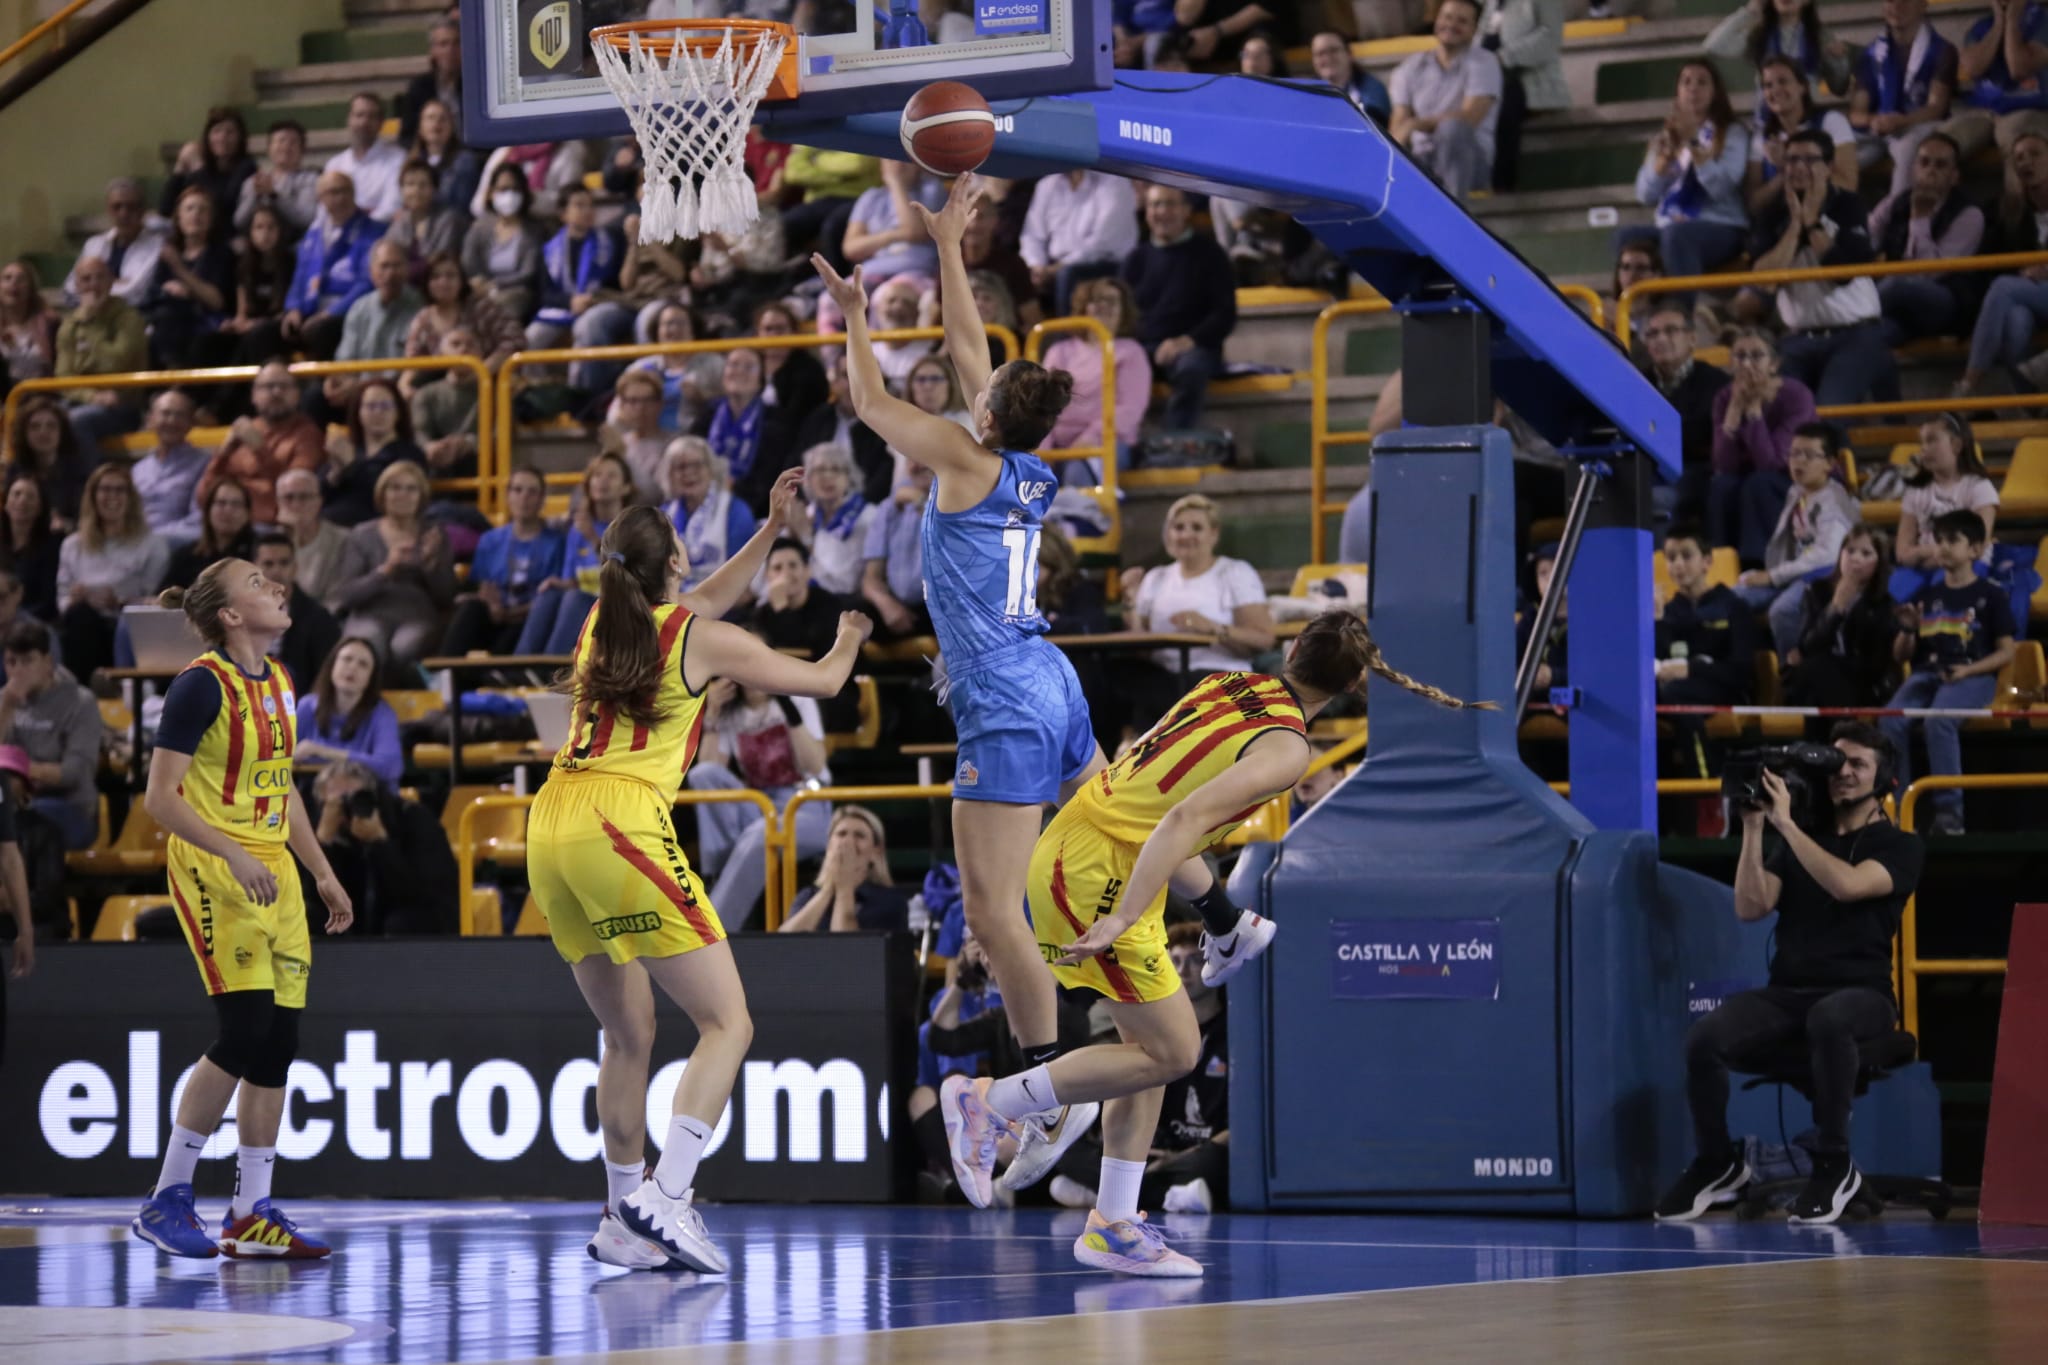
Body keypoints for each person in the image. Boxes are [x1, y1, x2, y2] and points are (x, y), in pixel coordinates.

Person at [953, 611, 1485, 1273]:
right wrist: (1120, 918)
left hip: (1100, 846)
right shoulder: (1288, 748)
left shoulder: (1229, 682)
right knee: (1176, 1048)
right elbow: (1180, 821)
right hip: (1104, 875)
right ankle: (988, 1103)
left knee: (1145, 1050)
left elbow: (1150, 797)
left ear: (1293, 648)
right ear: (1353, 685)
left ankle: (1113, 1221)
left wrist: (1220, 914)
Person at [814, 168, 1113, 1156]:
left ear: (985, 411)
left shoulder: (955, 453)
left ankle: (1041, 1096)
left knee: (992, 909)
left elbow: (865, 397)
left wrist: (854, 315)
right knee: (1099, 864)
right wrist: (945, 246)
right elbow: (966, 349)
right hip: (1052, 679)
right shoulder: (1022, 464)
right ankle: (1200, 932)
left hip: (1000, 694)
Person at [526, 497, 870, 1274]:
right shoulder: (704, 638)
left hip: (550, 823)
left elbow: (706, 594)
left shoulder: (600, 622)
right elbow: (821, 682)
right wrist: (848, 638)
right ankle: (666, 1195)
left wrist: (773, 527)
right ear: (673, 562)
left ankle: (621, 1214)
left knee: (630, 1032)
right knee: (729, 1022)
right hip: (618, 820)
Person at [127, 560, 353, 1260]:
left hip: (275, 871)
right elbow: (160, 798)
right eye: (258, 582)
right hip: (217, 867)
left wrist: (321, 871)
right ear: (228, 615)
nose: (277, 587)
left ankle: (251, 1211)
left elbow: (281, 792)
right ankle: (166, 1196)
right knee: (245, 1023)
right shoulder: (200, 684)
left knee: (278, 1041)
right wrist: (233, 853)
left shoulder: (281, 681)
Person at [1655, 721, 1922, 1226]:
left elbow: (1846, 885)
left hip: (1862, 996)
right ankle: (1718, 1162)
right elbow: (1751, 906)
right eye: (1837, 761)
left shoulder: (1899, 846)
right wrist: (1754, 828)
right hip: (1789, 993)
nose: (1843, 772)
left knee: (1830, 1017)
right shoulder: (1800, 841)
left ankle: (1833, 1163)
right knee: (1705, 1037)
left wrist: (1789, 825)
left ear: (1884, 780)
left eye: (1858, 764)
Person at [1882, 509, 2017, 835]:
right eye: (1938, 540)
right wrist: (1908, 630)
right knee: (1889, 718)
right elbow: (1901, 655)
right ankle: (1897, 812)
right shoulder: (1926, 596)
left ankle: (1949, 815)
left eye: (1951, 540)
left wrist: (1969, 670)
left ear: (1974, 549)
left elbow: (2007, 651)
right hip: (1928, 675)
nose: (1942, 547)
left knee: (1939, 720)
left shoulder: (1991, 594)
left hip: (1974, 677)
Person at [1749, 129, 1898, 407]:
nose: (1799, 168)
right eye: (1792, 160)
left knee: (1828, 413)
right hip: (1798, 340)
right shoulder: (1771, 213)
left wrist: (1813, 222)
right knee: (1782, 412)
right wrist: (1795, 226)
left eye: (1810, 160)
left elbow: (1841, 275)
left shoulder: (1848, 204)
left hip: (1855, 334)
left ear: (1828, 167)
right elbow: (1764, 281)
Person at [687, 651, 834, 928]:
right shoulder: (733, 712)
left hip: (805, 806)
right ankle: (716, 873)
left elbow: (815, 765)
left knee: (761, 833)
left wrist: (785, 702)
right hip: (759, 804)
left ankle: (713, 927)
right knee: (703, 775)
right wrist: (713, 713)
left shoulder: (799, 699)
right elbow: (708, 775)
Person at [1117, 493, 1276, 725]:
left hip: (1218, 675)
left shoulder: (1234, 573)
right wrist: (1130, 600)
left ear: (1214, 534)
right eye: (1178, 527)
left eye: (1196, 528)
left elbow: (1264, 638)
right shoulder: (1156, 578)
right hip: (1164, 677)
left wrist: (1211, 627)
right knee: (1118, 676)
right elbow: (1141, 646)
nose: (1186, 535)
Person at [1734, 423, 1859, 656]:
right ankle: (1749, 670)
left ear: (1830, 464)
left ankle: (1791, 673)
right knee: (1734, 597)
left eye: (1809, 455)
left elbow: (1827, 557)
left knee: (1782, 611)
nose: (1798, 461)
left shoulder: (1836, 502)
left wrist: (1772, 576)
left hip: (1824, 576)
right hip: (1795, 574)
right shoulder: (1796, 492)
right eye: (1794, 453)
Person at [1120, 186, 1236, 431]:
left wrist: (1185, 341)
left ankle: (1174, 443)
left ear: (1186, 211)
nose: (1162, 212)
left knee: (1191, 368)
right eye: (1155, 205)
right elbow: (1123, 316)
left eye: (1170, 204)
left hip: (1193, 347)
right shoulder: (1134, 259)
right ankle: (1121, 443)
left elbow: (1225, 314)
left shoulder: (1211, 254)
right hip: (1143, 347)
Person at [328, 461, 456, 674]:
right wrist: (386, 570)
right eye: (395, 488)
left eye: (411, 489)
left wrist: (430, 564)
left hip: (416, 615)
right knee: (368, 643)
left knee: (403, 648)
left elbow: (446, 597)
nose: (403, 495)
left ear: (421, 496)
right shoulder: (362, 535)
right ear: (383, 494)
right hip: (369, 613)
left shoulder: (434, 536)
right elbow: (348, 595)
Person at [1632, 61, 1751, 287]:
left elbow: (1721, 186)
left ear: (1715, 92)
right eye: (1686, 82)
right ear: (1677, 92)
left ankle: (1680, 312)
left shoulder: (1733, 133)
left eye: (1702, 82)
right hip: (1669, 223)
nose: (1693, 88)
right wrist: (1663, 162)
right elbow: (1644, 195)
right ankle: (1632, 316)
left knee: (1677, 236)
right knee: (1628, 238)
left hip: (1721, 225)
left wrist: (1693, 142)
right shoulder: (1665, 137)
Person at [306, 759, 457, 934]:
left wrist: (380, 843)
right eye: (337, 804)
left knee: (401, 922)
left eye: (356, 799)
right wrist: (324, 844)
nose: (348, 809)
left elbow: (420, 894)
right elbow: (313, 897)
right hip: (357, 921)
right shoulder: (321, 828)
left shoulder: (413, 819)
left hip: (422, 919)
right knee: (313, 917)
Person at [1657, 524, 1757, 777]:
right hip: (1673, 694)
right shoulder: (1667, 611)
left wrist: (1691, 669)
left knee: (1677, 695)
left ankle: (1706, 786)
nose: (1678, 564)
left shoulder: (1733, 606)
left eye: (1686, 555)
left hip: (1725, 690)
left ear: (1707, 561)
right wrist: (1655, 622)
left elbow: (1742, 671)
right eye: (1671, 558)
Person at [57, 463, 169, 684]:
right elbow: (61, 597)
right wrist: (74, 599)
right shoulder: (72, 545)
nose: (112, 496)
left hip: (128, 627)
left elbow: (156, 600)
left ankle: (120, 686)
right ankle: (88, 690)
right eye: (105, 489)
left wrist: (117, 601)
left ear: (131, 498)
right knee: (80, 616)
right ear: (93, 496)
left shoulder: (153, 545)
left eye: (119, 490)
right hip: (85, 626)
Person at [1711, 329, 1816, 565]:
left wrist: (1754, 412)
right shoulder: (1724, 398)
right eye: (1739, 356)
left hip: (1796, 477)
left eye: (1756, 356)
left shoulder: (1796, 395)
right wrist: (1734, 412)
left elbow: (1774, 462)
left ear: (1774, 364)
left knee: (1760, 482)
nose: (1746, 364)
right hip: (1751, 477)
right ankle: (1721, 564)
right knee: (1721, 486)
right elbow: (1723, 465)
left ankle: (1758, 564)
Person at [1869, 133, 1986, 346]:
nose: (1931, 170)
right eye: (1924, 162)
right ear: (1914, 169)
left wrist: (1920, 219)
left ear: (1954, 176)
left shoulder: (1969, 214)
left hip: (1943, 301)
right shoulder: (1896, 202)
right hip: (1896, 305)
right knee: (1873, 337)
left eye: (1941, 165)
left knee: (1898, 284)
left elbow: (1930, 272)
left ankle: (1847, 318)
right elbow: (1867, 239)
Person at [516, 451, 636, 657]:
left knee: (575, 598)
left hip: (620, 605)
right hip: (584, 600)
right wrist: (558, 583)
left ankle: (548, 669)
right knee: (550, 594)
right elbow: (573, 581)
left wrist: (593, 539)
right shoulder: (578, 528)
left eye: (611, 476)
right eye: (597, 475)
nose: (603, 481)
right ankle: (518, 667)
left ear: (626, 487)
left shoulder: (633, 526)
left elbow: (626, 577)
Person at [0, 619, 103, 850]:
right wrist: (6, 709)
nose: (17, 671)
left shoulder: (79, 702)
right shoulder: (4, 701)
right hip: (17, 805)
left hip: (72, 809)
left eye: (27, 661)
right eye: (11, 662)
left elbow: (73, 773)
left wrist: (19, 774)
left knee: (23, 824)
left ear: (47, 662)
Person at [1957, 132, 2048, 395]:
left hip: (2028, 289)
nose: (2026, 162)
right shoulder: (2007, 211)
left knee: (2005, 287)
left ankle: (1969, 384)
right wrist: (2026, 272)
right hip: (2031, 296)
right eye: (2019, 157)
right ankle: (2033, 404)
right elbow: (1989, 263)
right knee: (2015, 321)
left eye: (2034, 154)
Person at [442, 466, 564, 659]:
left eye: (532, 492)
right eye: (517, 490)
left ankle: (500, 675)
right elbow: (483, 585)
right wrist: (492, 606)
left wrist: (512, 613)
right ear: (508, 496)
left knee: (519, 630)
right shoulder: (490, 540)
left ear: (542, 499)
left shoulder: (557, 542)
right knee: (471, 610)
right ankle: (444, 671)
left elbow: (552, 597)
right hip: (496, 615)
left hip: (529, 619)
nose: (524, 497)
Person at [1388, 0, 1504, 200]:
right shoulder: (1411, 66)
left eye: (1462, 21)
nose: (1451, 25)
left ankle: (1455, 215)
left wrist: (1415, 124)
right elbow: (1399, 122)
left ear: (1474, 29)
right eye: (1447, 17)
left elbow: (1470, 117)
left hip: (1469, 163)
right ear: (1437, 20)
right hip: (1423, 160)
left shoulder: (1485, 61)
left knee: (1453, 128)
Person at [267, 173, 386, 363]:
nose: (339, 198)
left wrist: (330, 313)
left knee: (321, 331)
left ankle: (323, 388)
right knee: (263, 333)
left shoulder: (373, 231)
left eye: (344, 191)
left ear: (353, 193)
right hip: (311, 310)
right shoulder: (314, 234)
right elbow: (300, 276)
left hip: (347, 312)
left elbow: (367, 283)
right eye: (331, 192)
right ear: (320, 198)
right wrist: (294, 309)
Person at [525, 185, 634, 393]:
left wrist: (593, 299)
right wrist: (570, 302)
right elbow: (544, 294)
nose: (587, 211)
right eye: (579, 205)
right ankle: (538, 392)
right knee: (531, 337)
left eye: (590, 205)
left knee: (586, 327)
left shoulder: (611, 239)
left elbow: (620, 285)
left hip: (604, 304)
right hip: (567, 307)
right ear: (562, 213)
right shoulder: (549, 249)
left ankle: (580, 393)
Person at [1044, 277, 1151, 485]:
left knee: (1078, 472)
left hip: (1106, 441)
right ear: (1084, 308)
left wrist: (1089, 439)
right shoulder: (1059, 352)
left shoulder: (1130, 352)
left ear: (1123, 311)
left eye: (1111, 301)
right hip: (1056, 441)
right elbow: (1041, 405)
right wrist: (1043, 451)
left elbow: (1129, 409)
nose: (1103, 306)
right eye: (1095, 300)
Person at [1849, 0, 1958, 200]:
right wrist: (1874, 120)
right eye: (1890, 0)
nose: (1897, 6)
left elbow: (1937, 108)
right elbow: (1857, 113)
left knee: (1911, 148)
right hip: (1878, 130)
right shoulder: (1871, 54)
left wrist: (1901, 121)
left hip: (1919, 126)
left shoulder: (1942, 50)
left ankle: (1896, 216)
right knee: (1834, 153)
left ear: (1923, 5)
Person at [1783, 524, 1900, 709]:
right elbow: (1808, 646)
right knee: (1809, 672)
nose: (1855, 559)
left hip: (1864, 683)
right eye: (1850, 551)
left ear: (1879, 563)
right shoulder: (1817, 590)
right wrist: (1835, 608)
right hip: (1820, 675)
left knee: (1814, 671)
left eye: (1865, 553)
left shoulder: (1883, 604)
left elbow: (1875, 663)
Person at [199, 360, 325, 527]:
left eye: (284, 386)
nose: (276, 392)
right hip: (223, 524)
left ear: (297, 395)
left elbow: (296, 495)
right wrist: (223, 453)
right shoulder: (241, 432)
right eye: (268, 386)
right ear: (254, 395)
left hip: (271, 527)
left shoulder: (308, 435)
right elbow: (203, 495)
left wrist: (259, 449)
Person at [1640, 301, 1728, 523]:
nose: (1660, 339)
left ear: (1692, 338)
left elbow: (1701, 437)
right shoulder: (1636, 382)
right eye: (1652, 333)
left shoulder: (1716, 382)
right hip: (1645, 473)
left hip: (1694, 474)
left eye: (1670, 331)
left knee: (1652, 499)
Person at [691, 347, 800, 519]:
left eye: (749, 367)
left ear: (760, 381)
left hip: (756, 512)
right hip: (702, 505)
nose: (739, 371)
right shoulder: (707, 414)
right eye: (733, 365)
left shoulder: (777, 421)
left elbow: (770, 479)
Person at [55, 255, 149, 453]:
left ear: (111, 282)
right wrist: (91, 396)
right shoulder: (69, 324)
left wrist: (94, 322)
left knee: (76, 421)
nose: (94, 285)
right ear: (77, 286)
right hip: (82, 400)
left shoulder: (129, 318)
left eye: (100, 278)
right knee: (37, 418)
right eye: (86, 279)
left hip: (123, 405)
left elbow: (115, 364)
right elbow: (63, 377)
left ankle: (88, 479)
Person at [1745, 56, 1858, 214]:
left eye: (1783, 81)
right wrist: (1784, 173)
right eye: (1768, 85)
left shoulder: (1830, 122)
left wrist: (1787, 163)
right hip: (1780, 221)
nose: (1775, 90)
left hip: (1829, 215)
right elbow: (1754, 204)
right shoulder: (1761, 137)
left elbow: (1848, 184)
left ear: (1802, 87)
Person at [1019, 170, 1139, 317]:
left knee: (1068, 274)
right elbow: (1032, 235)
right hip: (1052, 267)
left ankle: (1066, 337)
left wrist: (1054, 270)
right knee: (1016, 271)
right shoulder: (1047, 185)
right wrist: (1036, 266)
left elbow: (1102, 243)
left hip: (1104, 266)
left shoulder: (1114, 181)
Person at [1481, 0, 1570, 192]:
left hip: (1525, 81)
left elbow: (1551, 37)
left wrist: (1504, 58)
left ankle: (1502, 189)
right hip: (1485, 79)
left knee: (1502, 109)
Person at [1941, 0, 2048, 161]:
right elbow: (1972, 68)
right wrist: (1999, 23)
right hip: (1983, 112)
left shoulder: (2042, 21)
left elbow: (2018, 69)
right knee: (1938, 146)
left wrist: (2012, 21)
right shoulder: (1982, 27)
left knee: (2022, 152)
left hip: (2028, 108)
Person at [779, 805, 913, 932]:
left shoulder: (891, 902)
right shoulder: (807, 896)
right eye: (841, 834)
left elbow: (847, 950)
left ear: (876, 851)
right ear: (829, 846)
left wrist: (844, 890)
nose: (848, 842)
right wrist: (827, 890)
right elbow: (783, 946)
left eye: (859, 835)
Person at [144, 188, 235, 371]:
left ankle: (176, 379)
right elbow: (153, 292)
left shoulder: (221, 254)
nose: (196, 215)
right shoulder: (168, 252)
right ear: (178, 217)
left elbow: (216, 301)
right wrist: (168, 289)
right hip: (171, 320)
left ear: (212, 218)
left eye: (203, 210)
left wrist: (182, 273)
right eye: (190, 209)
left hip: (206, 324)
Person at [295, 636, 403, 789]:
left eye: (363, 665)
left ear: (370, 679)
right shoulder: (307, 706)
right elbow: (280, 755)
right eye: (346, 659)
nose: (352, 668)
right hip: (312, 799)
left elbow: (391, 766)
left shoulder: (382, 714)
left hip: (366, 803)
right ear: (332, 665)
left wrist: (321, 751)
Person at [1895, 412, 1998, 571]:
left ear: (1956, 445)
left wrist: (1923, 553)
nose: (1923, 448)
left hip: (1968, 571)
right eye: (1921, 442)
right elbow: (1902, 552)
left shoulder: (1979, 488)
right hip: (1925, 568)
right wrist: (1939, 553)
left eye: (1931, 440)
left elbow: (1976, 546)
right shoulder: (1915, 491)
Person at [321, 379, 426, 528]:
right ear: (358, 412)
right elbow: (318, 494)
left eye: (385, 406)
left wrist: (352, 466)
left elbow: (386, 494)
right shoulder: (351, 449)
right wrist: (334, 474)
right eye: (370, 406)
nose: (378, 412)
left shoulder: (410, 454)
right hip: (331, 527)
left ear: (398, 412)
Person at [404, 252, 524, 382]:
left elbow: (515, 339)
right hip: (442, 390)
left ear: (461, 280)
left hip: (489, 385)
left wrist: (483, 370)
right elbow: (413, 361)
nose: (443, 282)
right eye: (435, 276)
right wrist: (405, 384)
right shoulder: (422, 319)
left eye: (450, 276)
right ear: (426, 283)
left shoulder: (482, 308)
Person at [661, 437, 756, 595]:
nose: (689, 473)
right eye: (681, 467)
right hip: (675, 605)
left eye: (697, 465)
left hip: (724, 603)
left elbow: (745, 581)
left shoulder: (735, 510)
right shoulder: (661, 516)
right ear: (670, 475)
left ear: (711, 470)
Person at [795, 351, 893, 504]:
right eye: (846, 375)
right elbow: (796, 467)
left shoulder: (889, 424)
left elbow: (881, 483)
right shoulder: (818, 419)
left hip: (865, 513)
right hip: (814, 508)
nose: (854, 384)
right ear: (834, 383)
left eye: (862, 375)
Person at [250, 531, 340, 694]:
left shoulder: (319, 618)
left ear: (295, 567)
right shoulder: (238, 614)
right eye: (268, 564)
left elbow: (325, 676)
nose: (277, 570)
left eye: (284, 563)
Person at [1706, 0, 1852, 95]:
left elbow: (1839, 87)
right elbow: (1714, 46)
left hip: (1809, 117)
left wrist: (1838, 61)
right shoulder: (1758, 36)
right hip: (1769, 117)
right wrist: (1749, 11)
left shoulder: (1820, 36)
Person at [461, 164, 546, 323]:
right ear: (491, 193)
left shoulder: (534, 231)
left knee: (495, 309)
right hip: (481, 291)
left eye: (515, 189)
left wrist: (494, 286)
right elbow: (469, 262)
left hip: (517, 293)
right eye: (503, 189)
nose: (509, 195)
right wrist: (480, 283)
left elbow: (528, 272)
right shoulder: (480, 228)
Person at [790, 442, 875, 598]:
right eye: (819, 470)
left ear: (849, 478)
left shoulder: (866, 517)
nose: (827, 476)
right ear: (808, 479)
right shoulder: (809, 512)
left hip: (842, 603)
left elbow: (845, 584)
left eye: (836, 469)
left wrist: (806, 541)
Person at [861, 457, 933, 640]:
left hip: (940, 607)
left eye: (922, 455)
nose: (916, 465)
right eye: (910, 458)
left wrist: (921, 501)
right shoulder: (889, 507)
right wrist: (886, 603)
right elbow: (870, 578)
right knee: (852, 616)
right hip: (896, 606)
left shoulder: (962, 500)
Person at [65, 178, 167, 307]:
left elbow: (134, 293)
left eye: (131, 207)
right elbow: (70, 287)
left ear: (142, 211)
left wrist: (91, 288)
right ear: (108, 210)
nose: (123, 213)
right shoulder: (94, 244)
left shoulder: (157, 246)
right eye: (117, 207)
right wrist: (116, 282)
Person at [131, 390, 209, 543]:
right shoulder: (138, 469)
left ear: (191, 423)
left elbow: (197, 522)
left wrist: (152, 539)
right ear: (150, 419)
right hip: (133, 545)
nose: (172, 421)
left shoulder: (203, 464)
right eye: (165, 413)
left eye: (180, 415)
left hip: (176, 547)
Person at [221, 206, 294, 366]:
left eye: (271, 227)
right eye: (259, 227)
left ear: (280, 231)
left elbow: (287, 311)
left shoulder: (291, 263)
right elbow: (242, 313)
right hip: (252, 326)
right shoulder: (244, 266)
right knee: (218, 339)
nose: (265, 234)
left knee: (257, 335)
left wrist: (256, 324)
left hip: (278, 328)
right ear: (251, 233)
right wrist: (235, 323)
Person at [160, 477, 256, 594]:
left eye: (236, 504)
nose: (228, 510)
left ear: (247, 513)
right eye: (221, 503)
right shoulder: (186, 556)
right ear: (208, 511)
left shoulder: (259, 553)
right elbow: (164, 596)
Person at [6, 394, 90, 526]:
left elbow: (83, 519)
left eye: (51, 426)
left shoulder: (77, 470)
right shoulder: (15, 469)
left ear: (62, 432)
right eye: (35, 426)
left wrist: (65, 524)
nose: (43, 432)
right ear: (24, 433)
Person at [336, 240, 425, 365]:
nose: (390, 273)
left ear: (407, 269)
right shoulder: (359, 309)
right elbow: (346, 358)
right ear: (371, 271)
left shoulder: (420, 306)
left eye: (397, 265)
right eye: (384, 266)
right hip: (359, 380)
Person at [324, 92, 408, 222]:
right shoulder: (335, 164)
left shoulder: (398, 159)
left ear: (381, 123)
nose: (364, 122)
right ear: (349, 120)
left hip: (379, 234)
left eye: (371, 117)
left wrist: (354, 224)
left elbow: (391, 208)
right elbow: (324, 210)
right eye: (359, 115)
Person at [274, 469, 350, 606]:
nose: (296, 505)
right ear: (278, 502)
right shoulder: (268, 543)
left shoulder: (342, 540)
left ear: (319, 502)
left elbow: (337, 596)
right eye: (288, 497)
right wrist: (293, 539)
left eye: (304, 497)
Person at [235, 121, 319, 239]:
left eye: (293, 142)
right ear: (269, 148)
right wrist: (255, 195)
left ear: (302, 149)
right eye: (281, 141)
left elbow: (306, 219)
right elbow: (239, 222)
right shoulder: (252, 181)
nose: (286, 146)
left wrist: (274, 195)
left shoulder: (310, 179)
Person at [753, 301, 828, 418]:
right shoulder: (751, 364)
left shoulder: (809, 370)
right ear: (758, 333)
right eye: (768, 329)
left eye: (780, 329)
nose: (773, 335)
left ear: (793, 332)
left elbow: (798, 416)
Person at [408, 100, 481, 220]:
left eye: (443, 118)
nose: (436, 123)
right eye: (430, 118)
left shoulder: (464, 161)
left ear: (452, 127)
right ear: (420, 127)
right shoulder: (412, 161)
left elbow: (461, 205)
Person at [1, 477, 62, 620]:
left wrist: (11, 617)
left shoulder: (52, 546)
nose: (22, 500)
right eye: (17, 494)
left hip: (30, 623)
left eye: (30, 496)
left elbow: (48, 603)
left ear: (40, 507)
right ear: (5, 503)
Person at [400, 16, 464, 145]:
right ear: (432, 50)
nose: (450, 50)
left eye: (456, 43)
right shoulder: (419, 87)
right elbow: (407, 136)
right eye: (443, 44)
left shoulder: (475, 86)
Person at [0, 258, 58, 387]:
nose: (13, 283)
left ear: (30, 289)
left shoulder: (50, 324)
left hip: (41, 395)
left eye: (20, 279)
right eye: (7, 278)